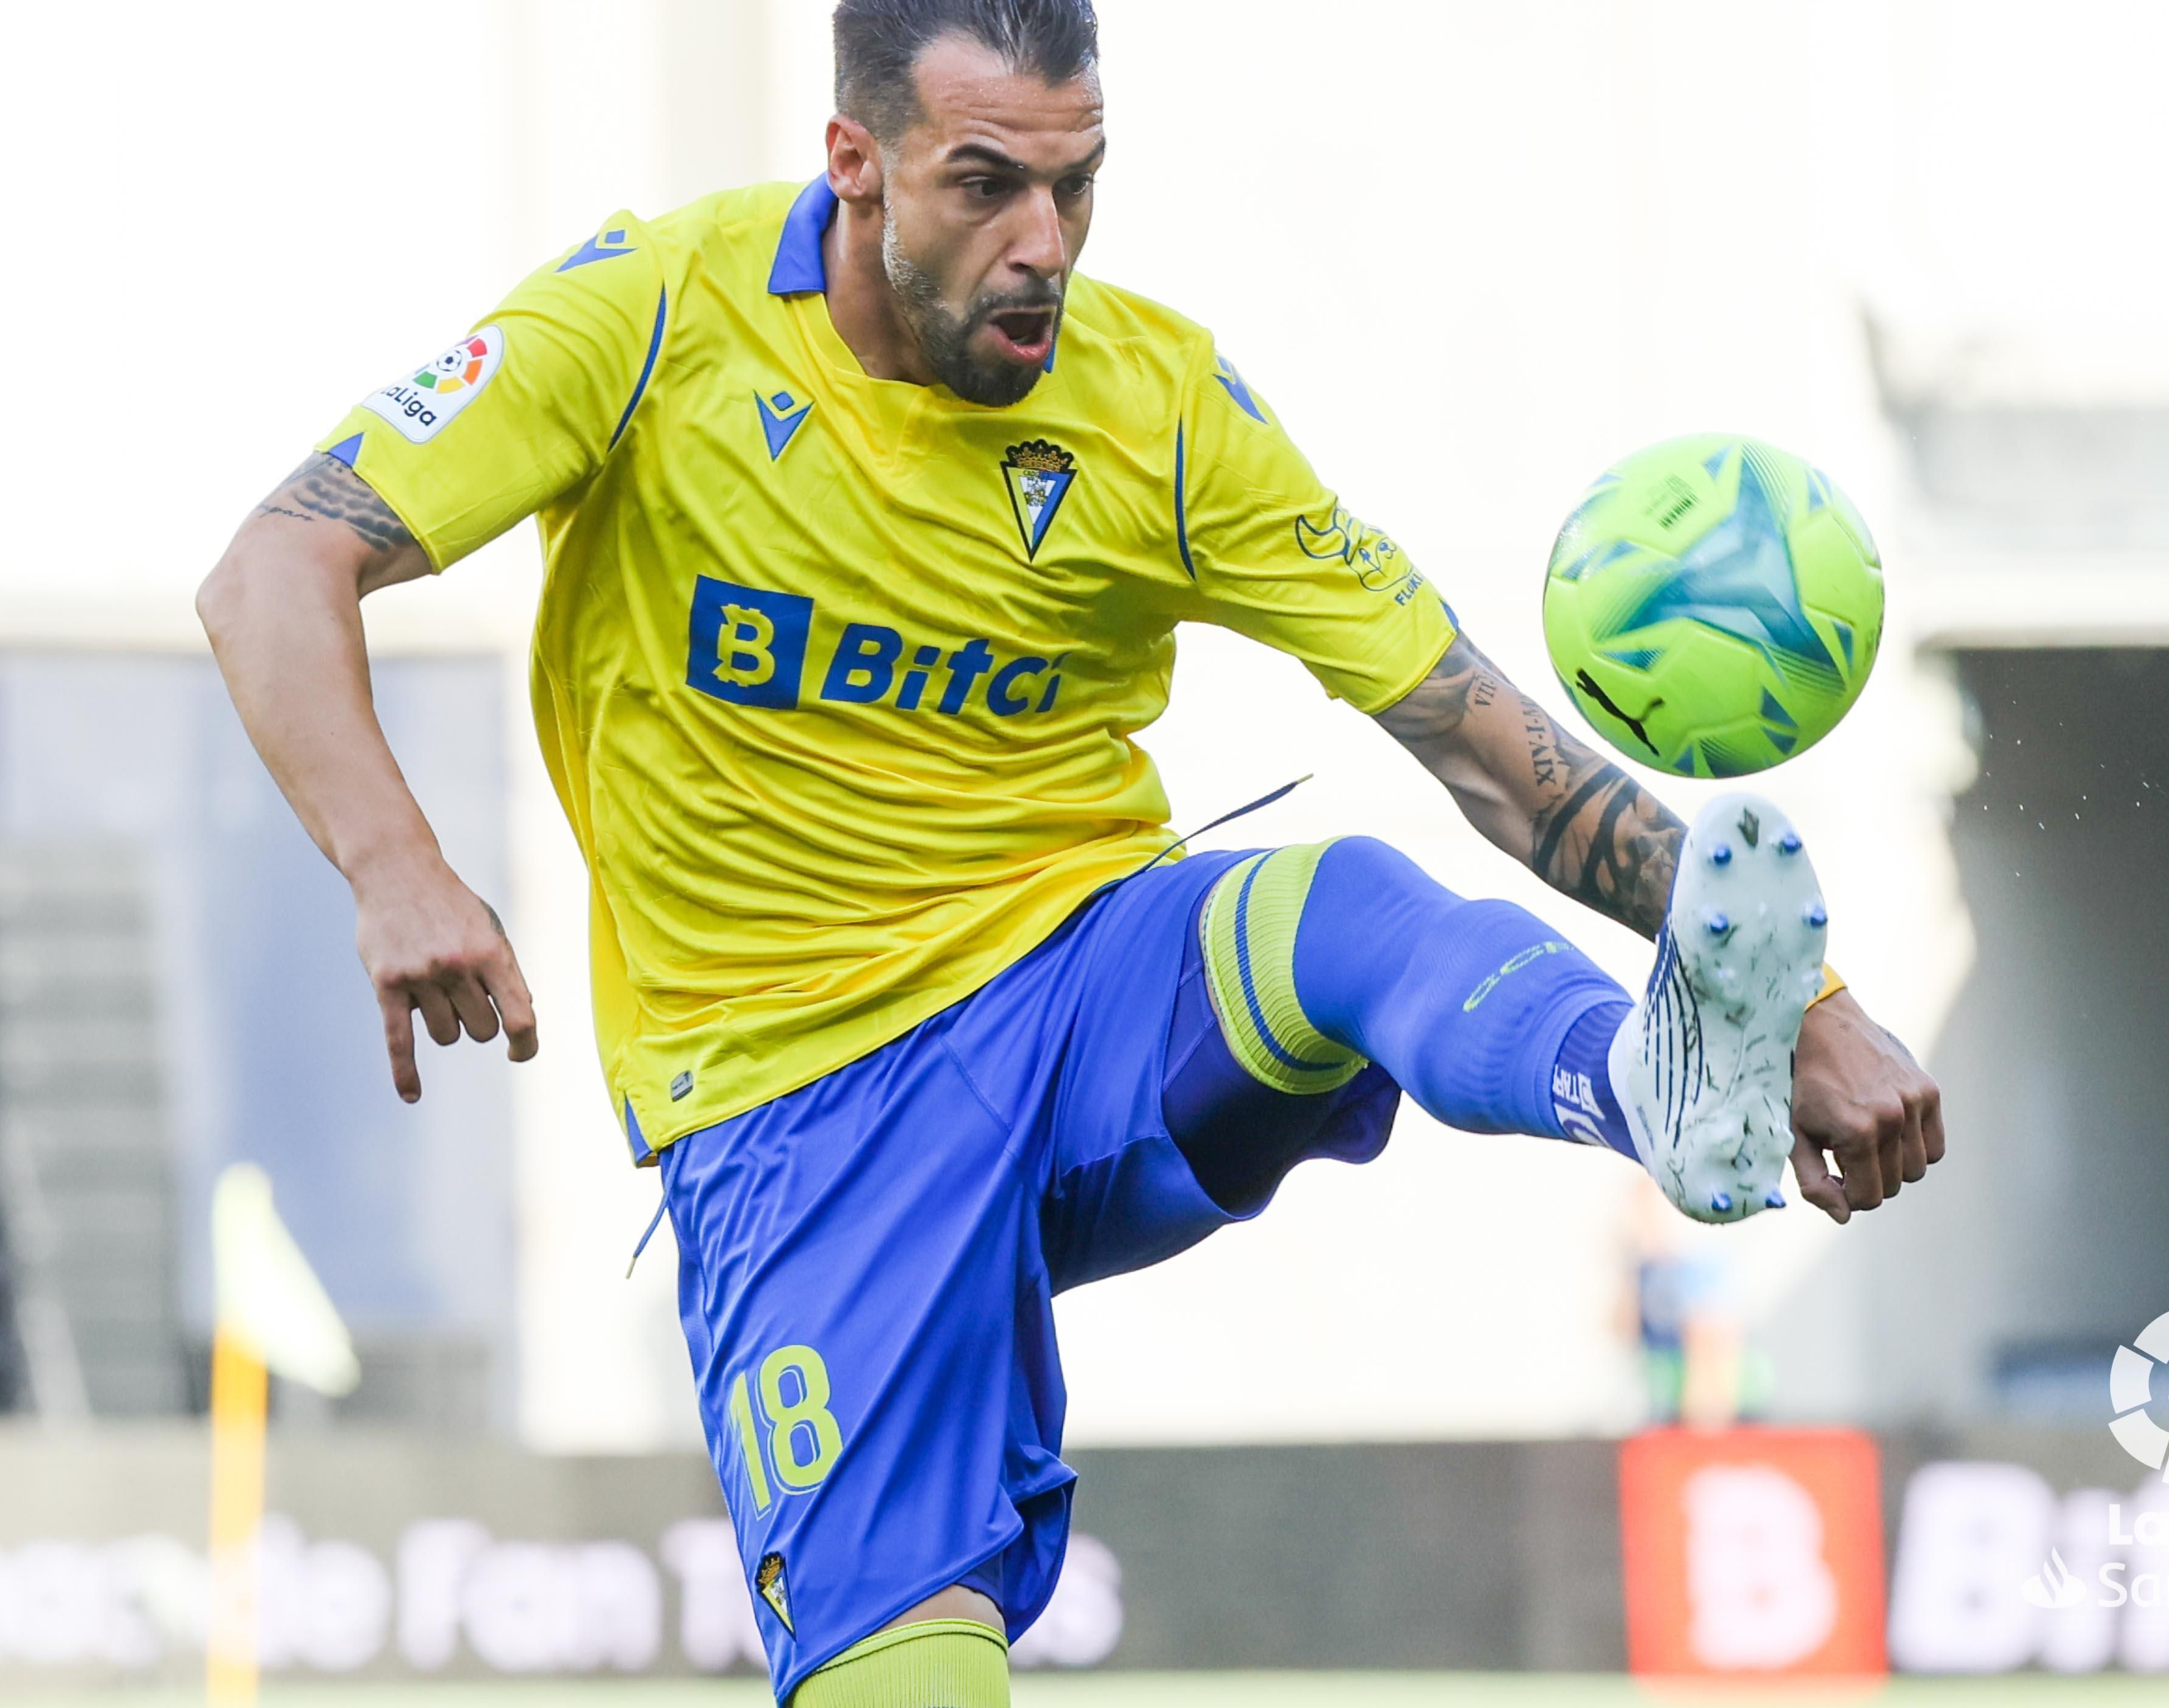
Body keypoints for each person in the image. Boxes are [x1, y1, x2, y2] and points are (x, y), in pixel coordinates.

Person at [196, 2, 1945, 1701]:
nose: (1046, 242)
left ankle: (1656, 1085)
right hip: (791, 1118)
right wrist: (394, 867)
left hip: (1079, 993)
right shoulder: (651, 315)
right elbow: (276, 567)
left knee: (1344, 913)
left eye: (1080, 183)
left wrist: (1804, 1003)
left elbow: (1484, 743)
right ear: (854, 165)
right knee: (909, 1674)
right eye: (986, 186)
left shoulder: (1160, 405)